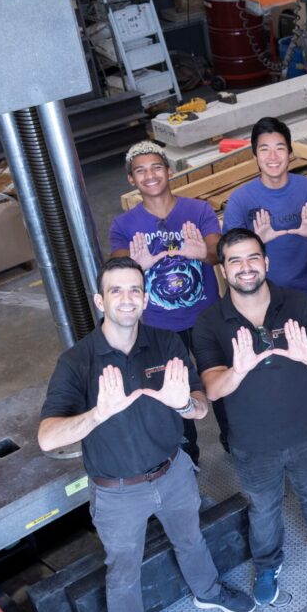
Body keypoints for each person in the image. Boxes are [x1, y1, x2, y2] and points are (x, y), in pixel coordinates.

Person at [38, 257, 253, 612]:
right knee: (123, 571)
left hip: (173, 473)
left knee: (191, 539)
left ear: (145, 297)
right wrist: (98, 413)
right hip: (118, 492)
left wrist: (183, 403)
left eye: (135, 289)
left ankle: (207, 591)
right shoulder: (77, 362)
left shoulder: (167, 343)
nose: (126, 298)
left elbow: (201, 407)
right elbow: (47, 438)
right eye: (116, 290)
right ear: (100, 301)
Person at [193, 228, 307, 607]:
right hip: (252, 445)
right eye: (234, 261)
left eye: (252, 258)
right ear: (223, 271)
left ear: (266, 262)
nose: (245, 268)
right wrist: (238, 369)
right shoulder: (210, 322)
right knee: (263, 509)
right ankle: (267, 564)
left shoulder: (299, 304)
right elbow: (213, 389)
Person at [109, 141, 223, 465]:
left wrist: (202, 252)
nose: (150, 175)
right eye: (140, 170)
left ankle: (235, 440)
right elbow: (118, 273)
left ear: (169, 171)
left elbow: (218, 251)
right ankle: (190, 458)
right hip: (160, 326)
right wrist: (137, 266)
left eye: (156, 167)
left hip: (207, 316)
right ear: (132, 180)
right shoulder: (123, 226)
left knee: (221, 380)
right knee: (177, 391)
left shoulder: (197, 211)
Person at [223, 117, 307, 297]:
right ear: (255, 155)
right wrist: (256, 243)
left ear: (290, 153)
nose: (273, 157)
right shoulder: (240, 200)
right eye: (265, 150)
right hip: (262, 297)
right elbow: (228, 255)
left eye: (280, 148)